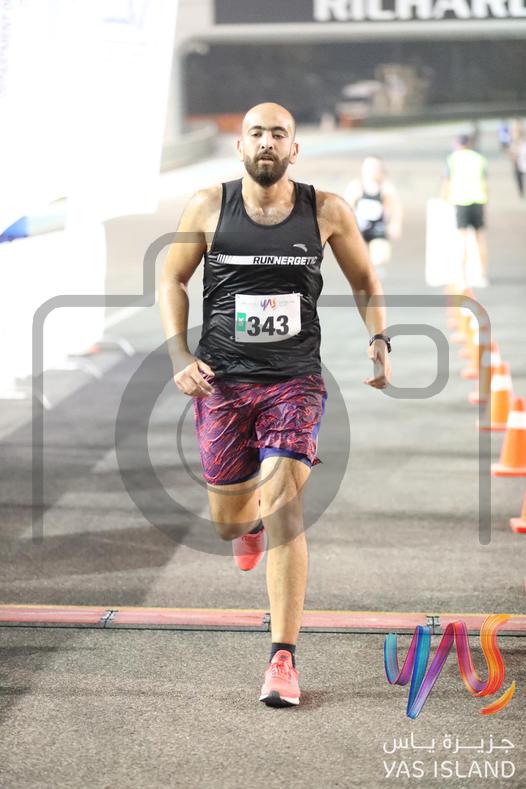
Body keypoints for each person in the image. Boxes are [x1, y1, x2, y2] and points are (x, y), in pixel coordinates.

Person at [159, 103, 391, 708]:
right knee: (230, 522)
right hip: (223, 384)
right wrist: (179, 354)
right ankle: (249, 525)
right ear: (241, 147)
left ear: (294, 149)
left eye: (278, 134)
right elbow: (171, 277)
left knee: (285, 503)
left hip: (294, 382)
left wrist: (379, 339)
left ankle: (282, 658)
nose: (267, 141)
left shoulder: (326, 210)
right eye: (256, 133)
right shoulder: (209, 206)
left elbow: (366, 281)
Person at [343, 157, 402, 280]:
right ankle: (365, 273)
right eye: (368, 168)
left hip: (378, 228)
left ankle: (373, 271)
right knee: (358, 259)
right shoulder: (356, 187)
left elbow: (396, 208)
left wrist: (395, 224)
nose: (371, 171)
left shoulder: (386, 189)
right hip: (359, 230)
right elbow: (345, 208)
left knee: (380, 256)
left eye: (375, 168)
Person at [442, 134, 489, 286]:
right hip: (478, 200)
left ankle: (461, 276)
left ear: (457, 144)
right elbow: (485, 182)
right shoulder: (479, 159)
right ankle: (483, 274)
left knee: (461, 240)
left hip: (461, 201)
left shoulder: (452, 159)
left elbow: (446, 181)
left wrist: (443, 198)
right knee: (480, 239)